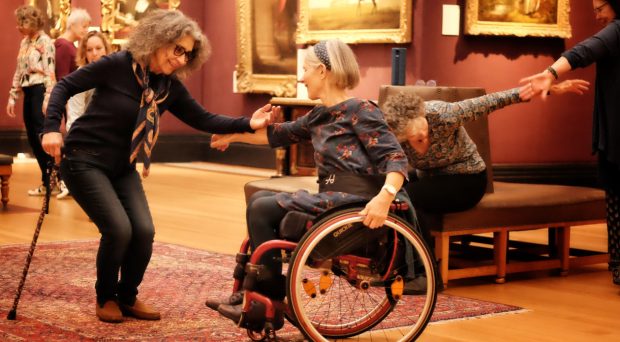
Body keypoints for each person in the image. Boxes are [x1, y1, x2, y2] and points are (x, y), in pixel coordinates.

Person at [41, 9, 274, 323]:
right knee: (119, 229)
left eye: (187, 55)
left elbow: (204, 119)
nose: (181, 59)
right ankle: (106, 296)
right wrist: (52, 128)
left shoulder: (167, 87)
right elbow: (63, 87)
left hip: (122, 166)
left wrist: (249, 122)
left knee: (144, 231)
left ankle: (127, 296)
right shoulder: (117, 65)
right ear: (158, 38)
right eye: (178, 49)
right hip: (84, 159)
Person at [206, 39, 409, 324]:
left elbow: (395, 157)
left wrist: (385, 197)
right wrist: (230, 134)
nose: (302, 77)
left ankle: (271, 300)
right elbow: (276, 134)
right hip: (330, 198)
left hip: (352, 201)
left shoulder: (362, 109)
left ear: (323, 71)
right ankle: (259, 296)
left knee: (261, 206)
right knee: (262, 204)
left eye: (305, 70)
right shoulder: (318, 115)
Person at [381, 79, 590, 217]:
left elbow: (493, 101)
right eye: (414, 137)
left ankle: (423, 271)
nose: (422, 137)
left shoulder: (444, 114)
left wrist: (551, 89)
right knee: (385, 192)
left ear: (422, 113)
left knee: (406, 198)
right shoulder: (395, 134)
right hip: (432, 177)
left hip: (467, 180)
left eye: (423, 130)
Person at [520, 0, 620, 286]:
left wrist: (550, 74)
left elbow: (582, 52)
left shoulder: (618, 29)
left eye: (600, 7)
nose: (596, 15)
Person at [56, 31, 112, 200]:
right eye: (89, 50)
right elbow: (74, 114)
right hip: (89, 134)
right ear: (84, 53)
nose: (94, 53)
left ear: (106, 49)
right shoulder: (81, 77)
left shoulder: (115, 71)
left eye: (98, 48)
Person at [6, 5, 56, 196]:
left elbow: (50, 72)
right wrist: (13, 96)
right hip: (28, 92)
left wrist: (48, 97)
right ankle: (47, 179)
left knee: (40, 135)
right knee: (32, 138)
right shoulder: (25, 43)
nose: (19, 26)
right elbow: (19, 70)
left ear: (34, 21)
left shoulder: (46, 41)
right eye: (18, 22)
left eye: (23, 22)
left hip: (40, 90)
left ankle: (53, 178)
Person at [54, 8, 91, 199]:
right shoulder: (65, 45)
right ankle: (65, 181)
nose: (85, 30)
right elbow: (62, 78)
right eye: (83, 26)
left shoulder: (68, 46)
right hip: (69, 101)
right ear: (73, 25)